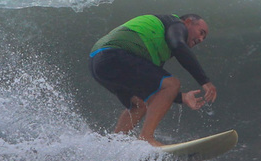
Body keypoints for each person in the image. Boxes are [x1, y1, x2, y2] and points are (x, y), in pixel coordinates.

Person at [88, 13, 218, 146]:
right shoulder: (176, 24)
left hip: (98, 62)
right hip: (113, 53)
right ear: (188, 22)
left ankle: (112, 145)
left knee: (139, 106)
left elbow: (155, 89)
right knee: (172, 84)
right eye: (201, 33)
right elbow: (178, 45)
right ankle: (146, 137)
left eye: (204, 37)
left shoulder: (155, 45)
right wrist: (205, 82)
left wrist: (182, 97)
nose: (201, 39)